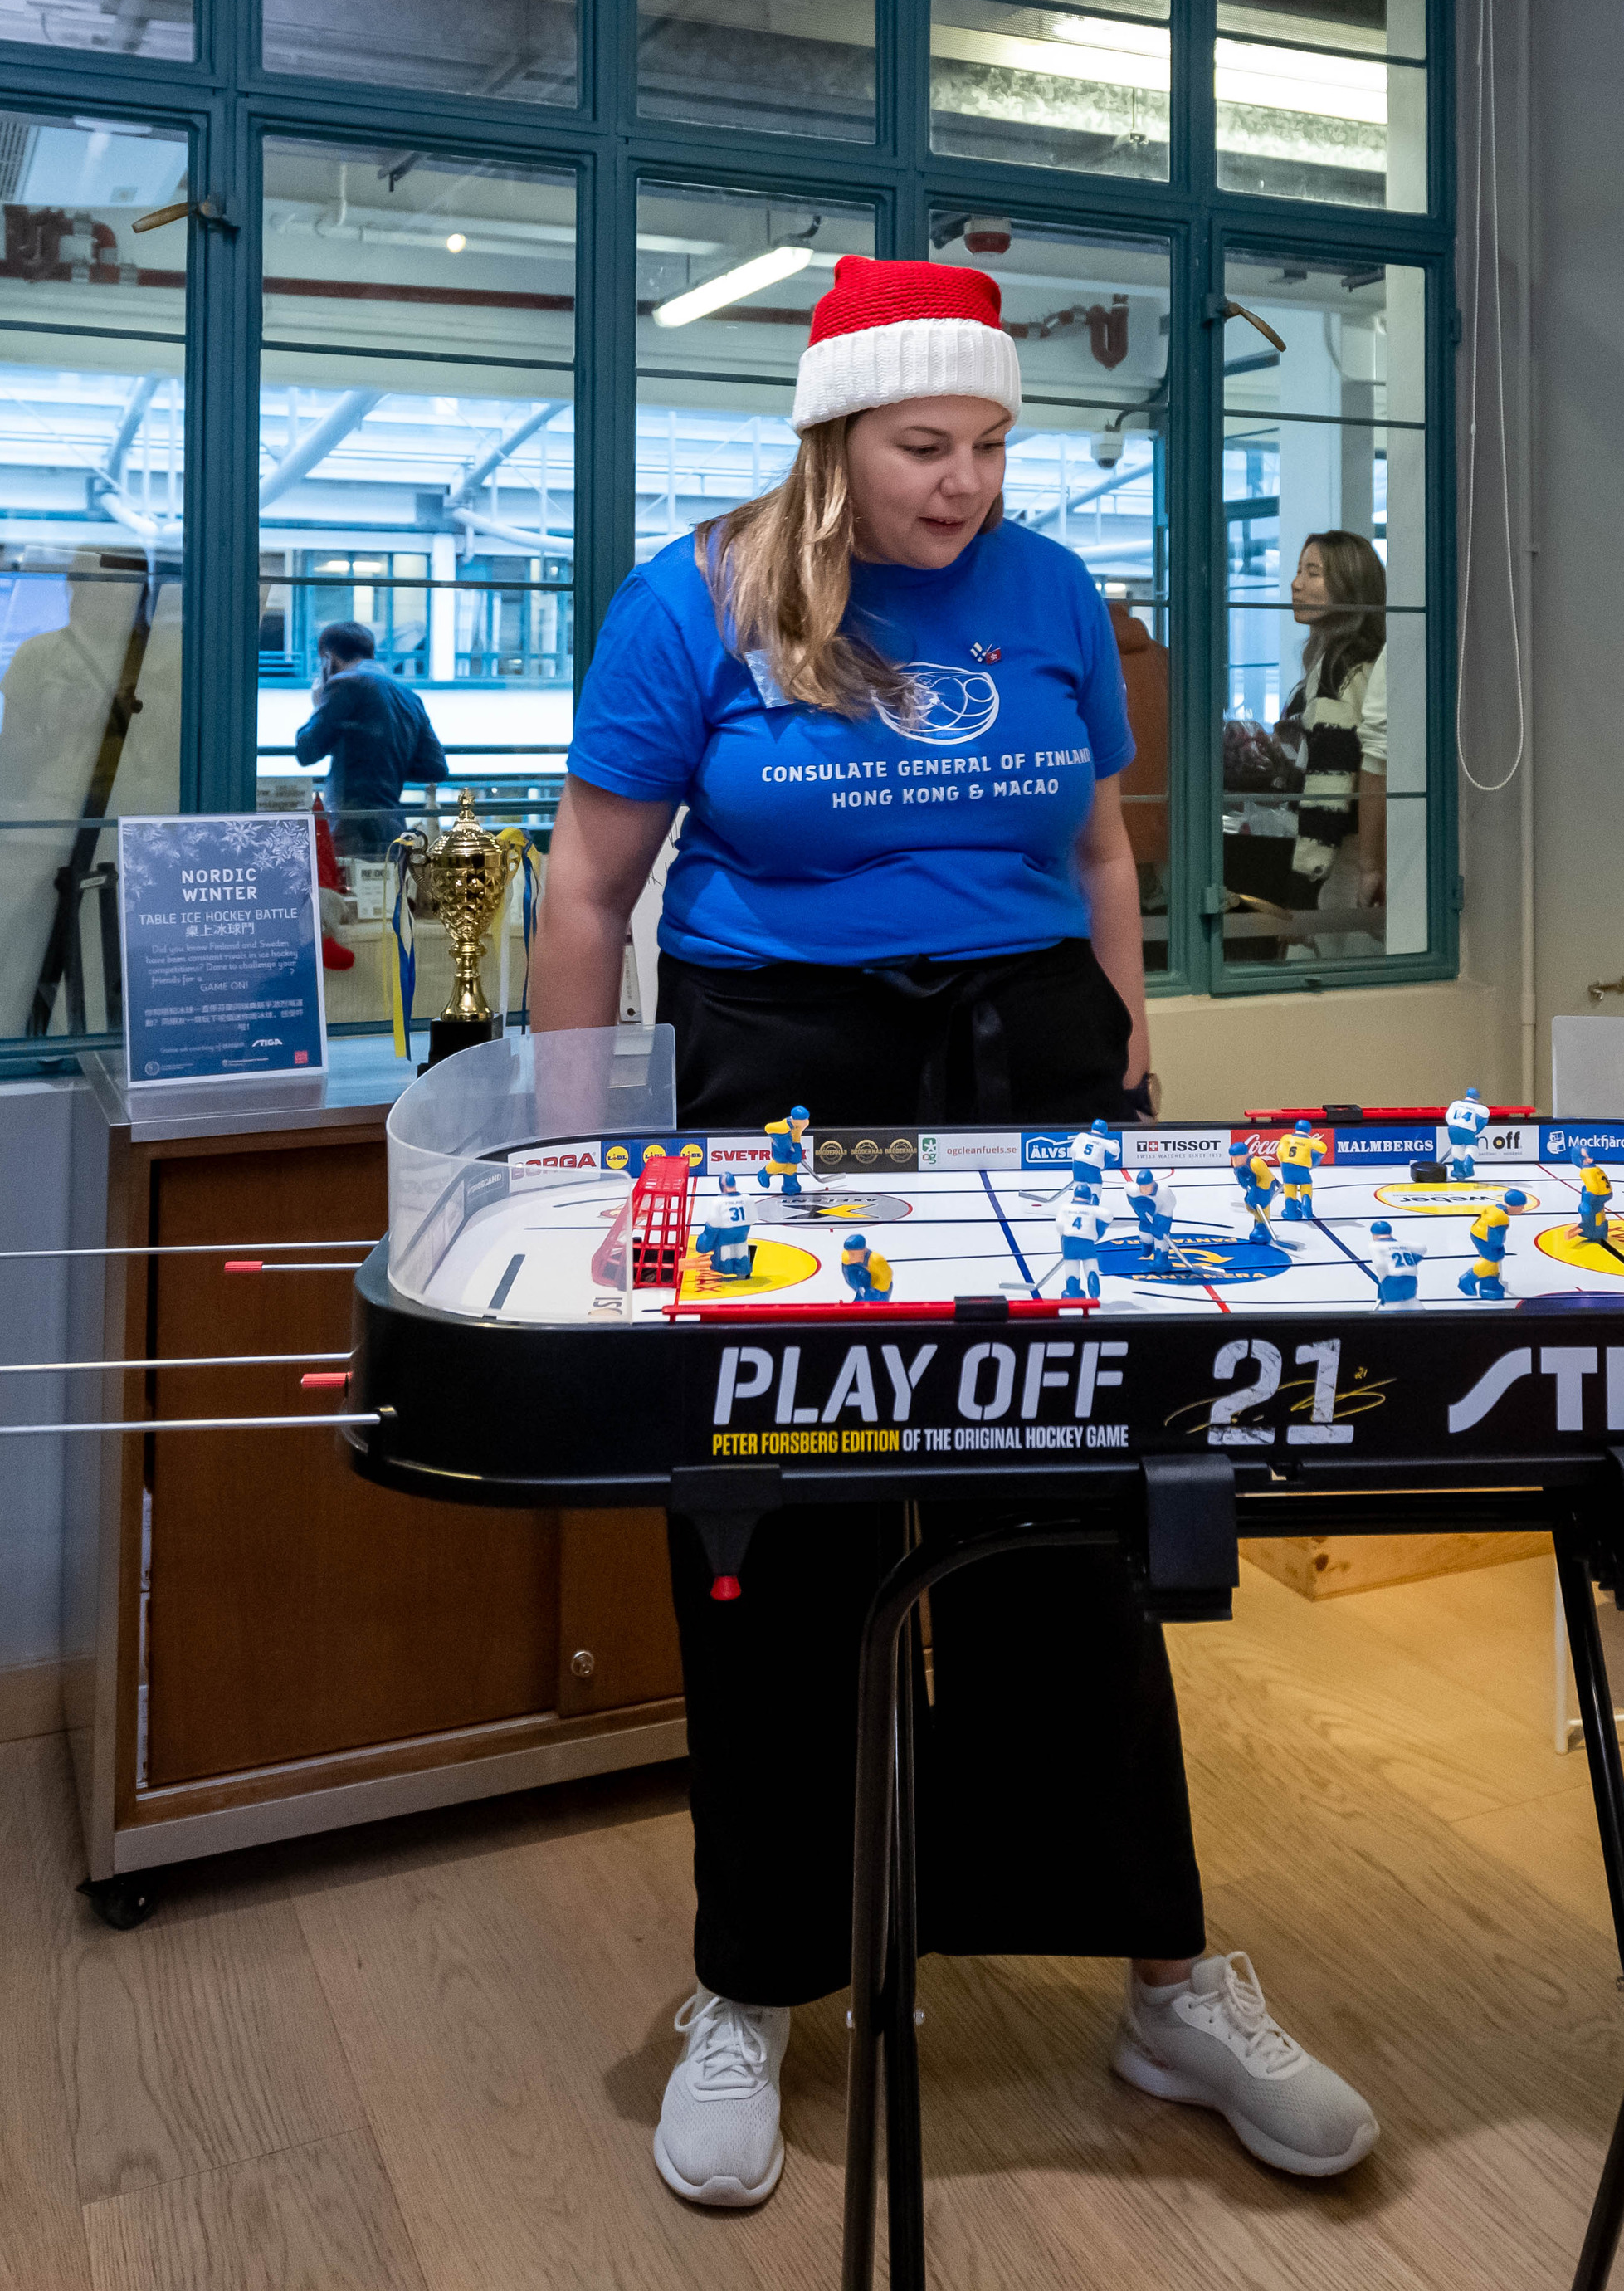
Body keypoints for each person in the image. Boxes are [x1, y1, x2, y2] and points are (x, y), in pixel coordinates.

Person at [528, 257, 1378, 2212]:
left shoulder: (1053, 591)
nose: (967, 482)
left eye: (993, 442)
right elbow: (587, 884)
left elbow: (1093, 849)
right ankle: (749, 1983)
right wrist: (578, 1151)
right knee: (777, 1529)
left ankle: (1162, 1976)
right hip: (786, 1070)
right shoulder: (703, 597)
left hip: (1035, 1066)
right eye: (928, 445)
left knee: (1076, 1526)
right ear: (835, 435)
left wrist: (1133, 1059)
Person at [1226, 529, 1388, 937]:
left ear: (1349, 587)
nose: (1296, 584)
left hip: (1339, 865)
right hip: (1346, 856)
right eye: (1299, 570)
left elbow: (1329, 789)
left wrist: (1302, 886)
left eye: (1313, 573)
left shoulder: (1341, 668)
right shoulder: (1344, 660)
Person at [290, 614, 451, 861]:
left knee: (352, 898)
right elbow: (436, 768)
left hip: (352, 830)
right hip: (393, 828)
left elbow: (307, 750)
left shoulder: (345, 684)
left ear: (328, 659)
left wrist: (319, 701)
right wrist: (383, 760)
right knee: (387, 896)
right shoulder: (407, 695)